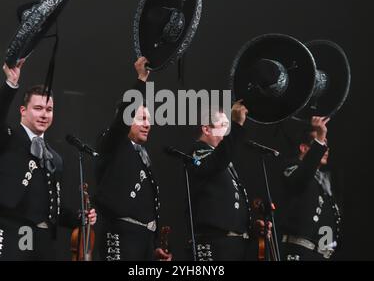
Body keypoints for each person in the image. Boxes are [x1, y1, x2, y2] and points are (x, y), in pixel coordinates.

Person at [0, 58, 97, 261]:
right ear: (23, 111)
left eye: (49, 110)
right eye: (38, 108)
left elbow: (53, 208)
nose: (44, 114)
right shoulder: (8, 139)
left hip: (44, 241)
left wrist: (80, 217)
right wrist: (11, 84)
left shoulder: (56, 158)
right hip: (14, 233)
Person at [95, 57, 171, 261]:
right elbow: (121, 120)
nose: (147, 124)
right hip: (120, 236)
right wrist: (141, 80)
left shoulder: (142, 154)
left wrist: (152, 245)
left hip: (143, 241)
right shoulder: (113, 143)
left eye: (149, 119)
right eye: (141, 118)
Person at [187, 102, 269, 260]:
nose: (228, 130)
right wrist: (237, 124)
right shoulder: (198, 152)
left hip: (234, 246)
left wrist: (251, 227)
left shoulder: (223, 162)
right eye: (223, 125)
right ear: (206, 129)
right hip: (216, 244)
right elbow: (217, 161)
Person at [280, 116, 341, 260]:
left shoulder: (323, 180)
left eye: (326, 143)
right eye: (320, 141)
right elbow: (302, 176)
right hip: (298, 253)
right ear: (304, 147)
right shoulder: (292, 167)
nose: (325, 148)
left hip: (319, 255)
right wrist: (320, 138)